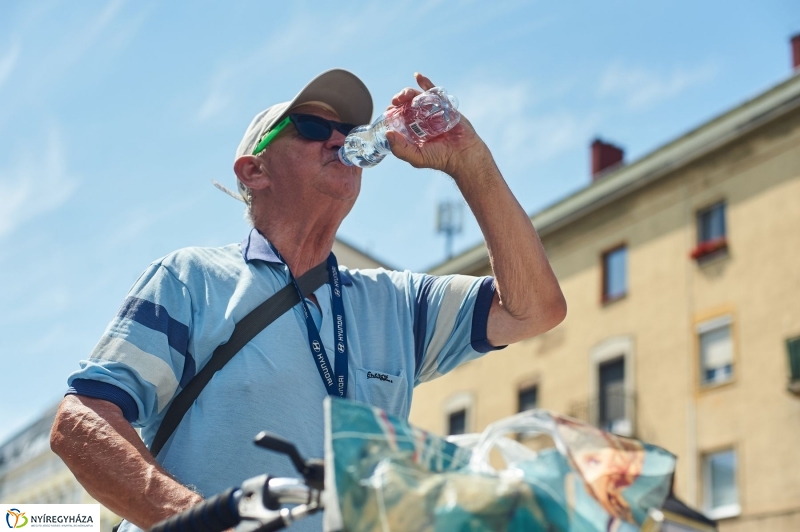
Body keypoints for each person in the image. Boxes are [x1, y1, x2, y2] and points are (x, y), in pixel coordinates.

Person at [50, 68, 566, 531]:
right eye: (314, 129)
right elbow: (82, 421)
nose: (339, 139)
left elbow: (533, 309)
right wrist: (200, 524)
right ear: (255, 171)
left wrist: (469, 162)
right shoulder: (193, 279)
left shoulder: (396, 303)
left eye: (346, 130)